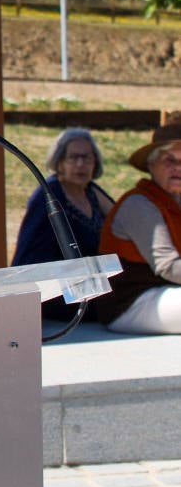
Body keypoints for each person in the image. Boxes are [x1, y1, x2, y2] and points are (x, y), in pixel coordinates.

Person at [12, 128, 115, 321]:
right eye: (73, 158)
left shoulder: (91, 191)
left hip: (93, 285)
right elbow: (29, 260)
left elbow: (122, 221)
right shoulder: (49, 195)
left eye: (87, 158)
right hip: (59, 294)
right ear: (59, 162)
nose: (80, 164)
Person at [97, 123, 181, 334]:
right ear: (151, 165)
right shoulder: (139, 204)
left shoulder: (176, 201)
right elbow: (168, 267)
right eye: (169, 160)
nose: (178, 168)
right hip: (130, 303)